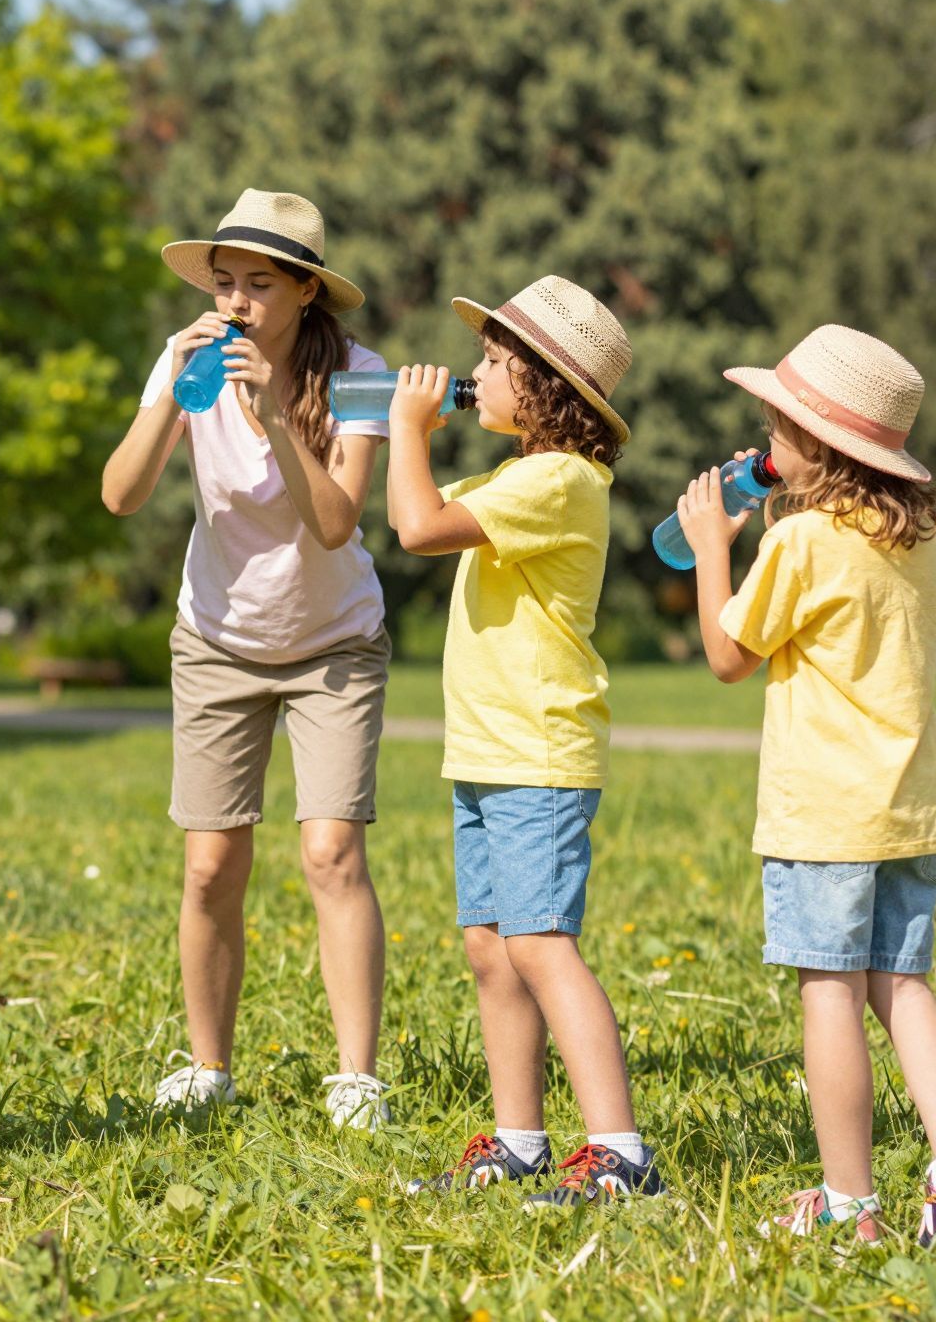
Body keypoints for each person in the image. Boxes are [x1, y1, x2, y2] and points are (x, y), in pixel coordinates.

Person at [677, 324, 936, 1248]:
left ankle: (850, 1203)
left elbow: (725, 656)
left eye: (777, 429)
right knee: (902, 983)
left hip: (823, 812)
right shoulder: (915, 538)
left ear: (816, 447)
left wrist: (714, 543)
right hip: (908, 806)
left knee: (828, 992)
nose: (764, 443)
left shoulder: (803, 543)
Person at [100, 189, 394, 1130]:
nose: (234, 303)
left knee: (330, 851)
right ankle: (208, 1065)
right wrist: (170, 398)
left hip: (334, 644)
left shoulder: (358, 371)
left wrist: (269, 413)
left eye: (258, 285)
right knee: (209, 865)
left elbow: (338, 519)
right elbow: (120, 495)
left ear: (307, 290)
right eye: (222, 283)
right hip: (218, 641)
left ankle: (355, 1078)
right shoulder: (186, 366)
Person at [388, 276, 662, 1206]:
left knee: (543, 946)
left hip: (538, 753)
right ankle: (519, 1141)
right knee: (491, 947)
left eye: (492, 363)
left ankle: (622, 1154)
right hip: (487, 750)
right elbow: (416, 504)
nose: (474, 375)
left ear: (541, 384)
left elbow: (417, 525)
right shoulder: (517, 477)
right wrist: (385, 429)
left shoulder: (560, 480)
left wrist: (407, 430)